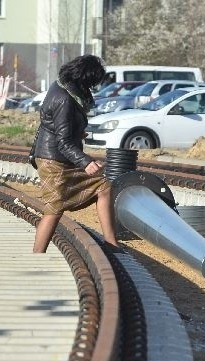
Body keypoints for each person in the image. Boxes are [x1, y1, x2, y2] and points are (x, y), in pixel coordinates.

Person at [31, 54, 118, 253]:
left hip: (55, 156)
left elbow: (57, 127)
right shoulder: (65, 100)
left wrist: (76, 131)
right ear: (84, 78)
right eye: (92, 82)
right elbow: (62, 141)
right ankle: (37, 254)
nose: (92, 88)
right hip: (54, 160)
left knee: (103, 187)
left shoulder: (61, 86)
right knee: (54, 208)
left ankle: (112, 243)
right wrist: (86, 162)